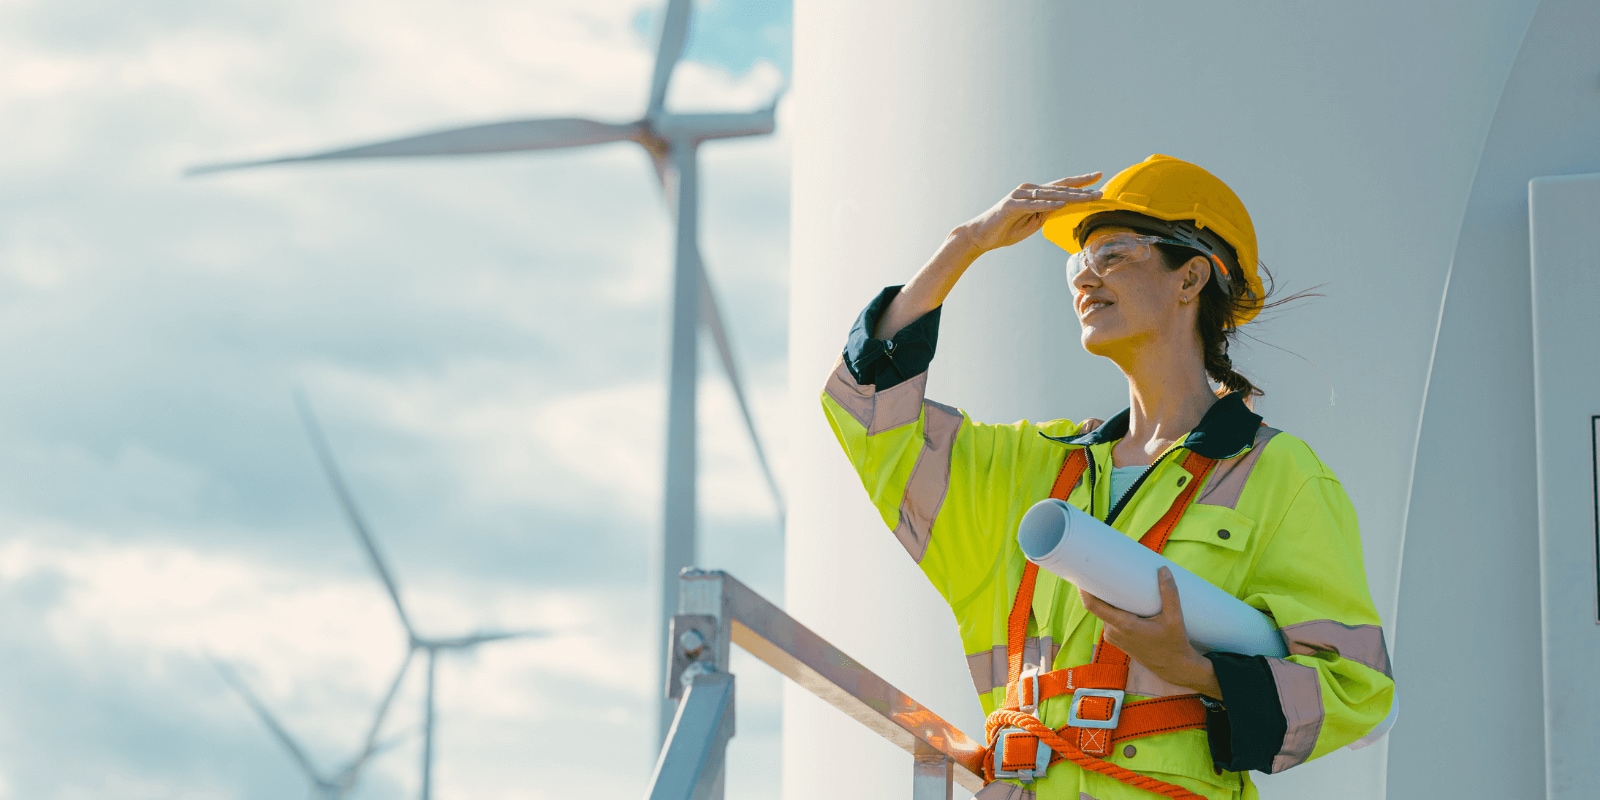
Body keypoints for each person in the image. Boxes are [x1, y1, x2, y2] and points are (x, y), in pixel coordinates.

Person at [821, 155, 1394, 799]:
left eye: (1113, 254)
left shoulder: (1280, 475)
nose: (1084, 279)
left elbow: (1356, 687)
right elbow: (866, 407)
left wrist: (1196, 670)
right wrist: (968, 244)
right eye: (1078, 263)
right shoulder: (1031, 467)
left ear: (1192, 277)